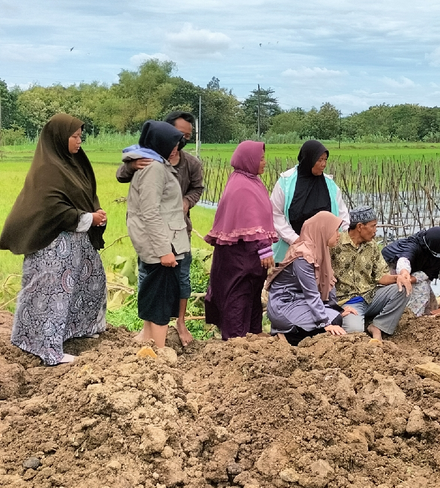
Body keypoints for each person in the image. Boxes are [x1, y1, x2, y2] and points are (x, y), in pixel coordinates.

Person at [0, 113, 107, 365]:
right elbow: (51, 208)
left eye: (80, 136)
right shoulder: (49, 169)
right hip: (52, 244)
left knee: (90, 282)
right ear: (59, 138)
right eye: (74, 136)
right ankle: (46, 348)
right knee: (53, 293)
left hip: (78, 243)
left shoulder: (74, 163)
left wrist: (95, 214)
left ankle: (74, 331)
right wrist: (87, 218)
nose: (79, 141)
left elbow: (85, 196)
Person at [116, 111, 203, 346]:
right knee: (161, 298)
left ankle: (148, 339)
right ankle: (160, 349)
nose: (177, 148)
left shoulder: (160, 164)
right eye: (174, 142)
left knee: (155, 292)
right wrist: (165, 250)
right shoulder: (153, 168)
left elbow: (194, 189)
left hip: (166, 239)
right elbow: (150, 212)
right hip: (162, 243)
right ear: (162, 143)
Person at [203, 141, 278, 339]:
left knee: (252, 295)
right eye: (261, 159)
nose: (264, 162)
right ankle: (236, 340)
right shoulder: (242, 187)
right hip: (239, 258)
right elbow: (249, 219)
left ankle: (253, 333)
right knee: (238, 296)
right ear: (249, 160)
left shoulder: (251, 181)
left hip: (249, 258)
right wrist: (263, 247)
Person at [266, 212, 351, 346]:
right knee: (333, 322)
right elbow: (311, 293)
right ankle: (286, 336)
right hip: (285, 304)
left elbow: (328, 283)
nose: (339, 234)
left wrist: (337, 309)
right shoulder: (303, 256)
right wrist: (325, 323)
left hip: (301, 301)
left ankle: (295, 333)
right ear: (323, 230)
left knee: (338, 317)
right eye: (335, 230)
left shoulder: (320, 250)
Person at [330, 206, 410, 340]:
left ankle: (378, 325)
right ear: (360, 227)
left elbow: (380, 276)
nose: (375, 230)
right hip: (349, 302)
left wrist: (398, 278)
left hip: (371, 296)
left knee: (403, 289)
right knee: (355, 334)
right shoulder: (336, 244)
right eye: (373, 226)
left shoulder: (372, 246)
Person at [270, 140, 350, 263]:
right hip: (292, 249)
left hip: (323, 250)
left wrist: (346, 236)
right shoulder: (286, 182)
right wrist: (295, 240)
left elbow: (342, 213)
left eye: (325, 159)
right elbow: (275, 213)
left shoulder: (330, 185)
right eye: (319, 160)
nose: (323, 164)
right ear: (308, 160)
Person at [381, 227, 440, 316]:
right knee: (420, 290)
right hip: (390, 268)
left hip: (415, 273)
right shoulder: (413, 245)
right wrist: (404, 273)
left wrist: (411, 279)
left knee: (430, 304)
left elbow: (430, 272)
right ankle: (411, 317)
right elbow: (404, 259)